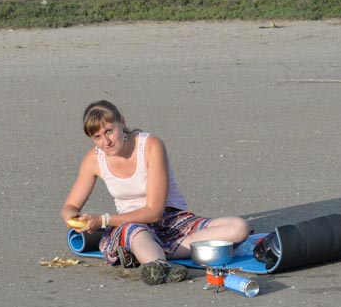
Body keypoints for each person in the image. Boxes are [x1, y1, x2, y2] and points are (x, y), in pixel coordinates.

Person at [60, 99, 250, 285]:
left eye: (109, 131)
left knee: (238, 227)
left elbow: (154, 212)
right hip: (132, 224)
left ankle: (153, 257)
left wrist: (102, 220)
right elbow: (70, 206)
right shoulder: (94, 159)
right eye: (97, 137)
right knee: (136, 232)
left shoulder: (151, 146)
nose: (106, 141)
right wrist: (72, 217)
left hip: (171, 220)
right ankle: (159, 264)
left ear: (122, 122)